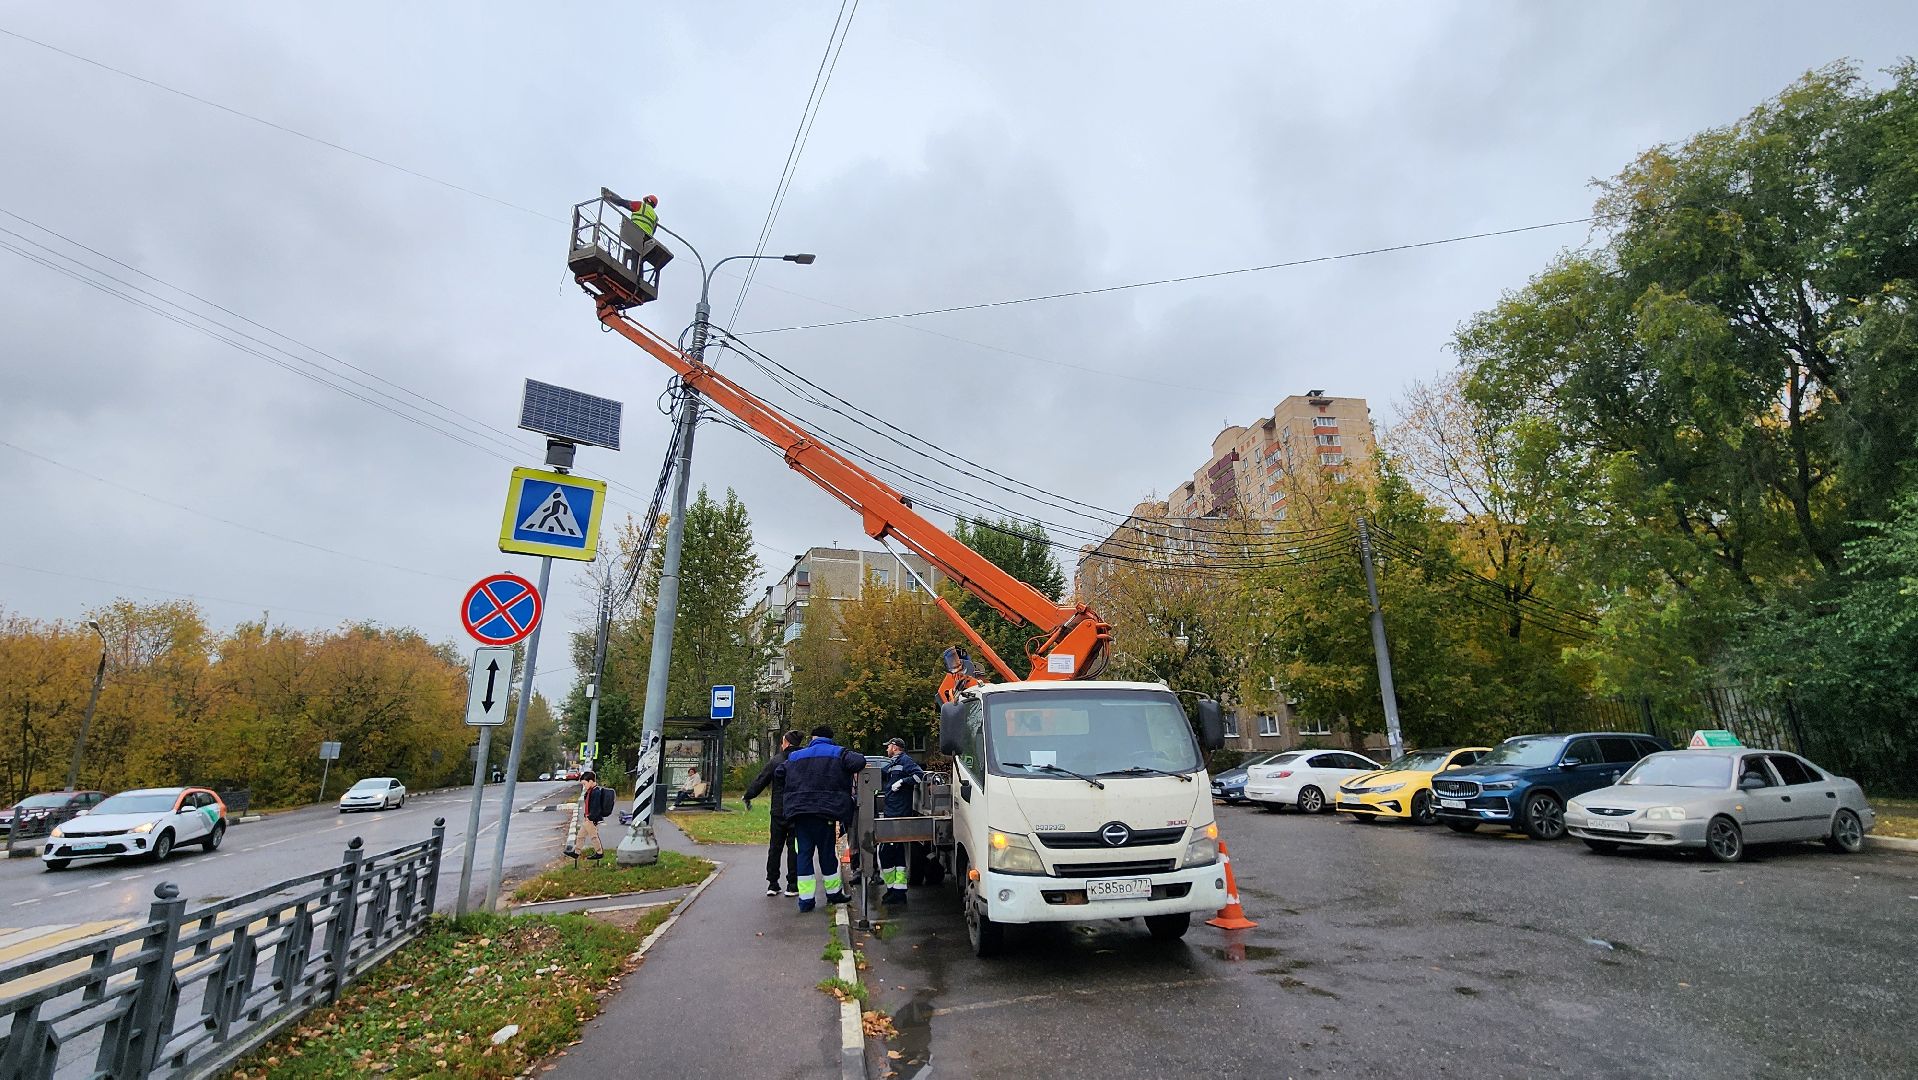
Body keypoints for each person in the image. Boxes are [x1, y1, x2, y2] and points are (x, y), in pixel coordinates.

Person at [775, 724, 865, 913]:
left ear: (813, 738)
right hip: (826, 813)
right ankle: (834, 894)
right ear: (830, 738)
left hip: (800, 814)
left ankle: (806, 901)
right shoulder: (838, 752)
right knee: (826, 854)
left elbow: (779, 772)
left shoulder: (796, 755)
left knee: (804, 855)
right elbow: (859, 762)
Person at [744, 729, 805, 897]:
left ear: (786, 743)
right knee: (794, 847)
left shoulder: (776, 761)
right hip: (797, 809)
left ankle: (773, 883)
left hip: (778, 809)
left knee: (775, 846)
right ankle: (792, 884)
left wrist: (748, 795)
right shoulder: (804, 760)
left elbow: (761, 780)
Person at [877, 738, 925, 906]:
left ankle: (895, 890)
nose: (886, 749)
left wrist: (903, 781)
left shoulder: (905, 760)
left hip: (898, 812)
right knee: (894, 854)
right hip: (892, 810)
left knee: (887, 852)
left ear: (895, 747)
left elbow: (919, 775)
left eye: (888, 746)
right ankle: (896, 891)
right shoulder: (893, 762)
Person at [566, 771, 615, 860]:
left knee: (593, 836)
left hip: (592, 819)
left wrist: (591, 817)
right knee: (580, 836)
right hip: (587, 818)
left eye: (585, 784)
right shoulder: (590, 791)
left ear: (591, 781)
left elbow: (596, 807)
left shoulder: (596, 792)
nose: (584, 787)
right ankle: (576, 852)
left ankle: (599, 853)